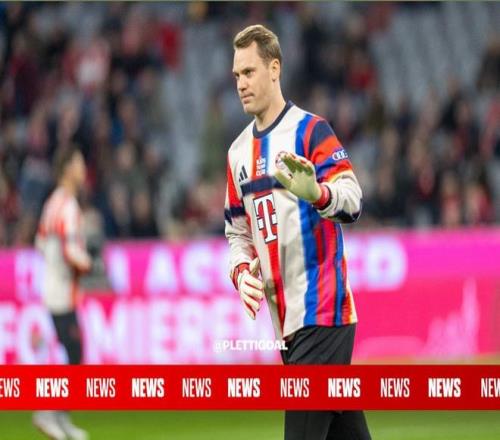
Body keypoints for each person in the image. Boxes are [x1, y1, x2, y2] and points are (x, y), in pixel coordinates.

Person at [224, 24, 371, 440]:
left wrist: (318, 193)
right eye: (236, 75)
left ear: (275, 69)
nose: (241, 83)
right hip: (286, 325)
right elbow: (237, 232)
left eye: (249, 72)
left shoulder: (310, 131)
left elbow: (353, 199)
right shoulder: (237, 154)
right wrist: (241, 272)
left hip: (323, 311)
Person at [33, 145, 91, 440]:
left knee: (70, 352)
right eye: (79, 163)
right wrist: (88, 262)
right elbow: (70, 253)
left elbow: (40, 242)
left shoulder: (52, 202)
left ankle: (60, 416)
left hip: (52, 288)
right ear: (68, 168)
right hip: (61, 294)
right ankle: (50, 412)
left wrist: (55, 265)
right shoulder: (67, 206)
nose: (83, 169)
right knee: (75, 353)